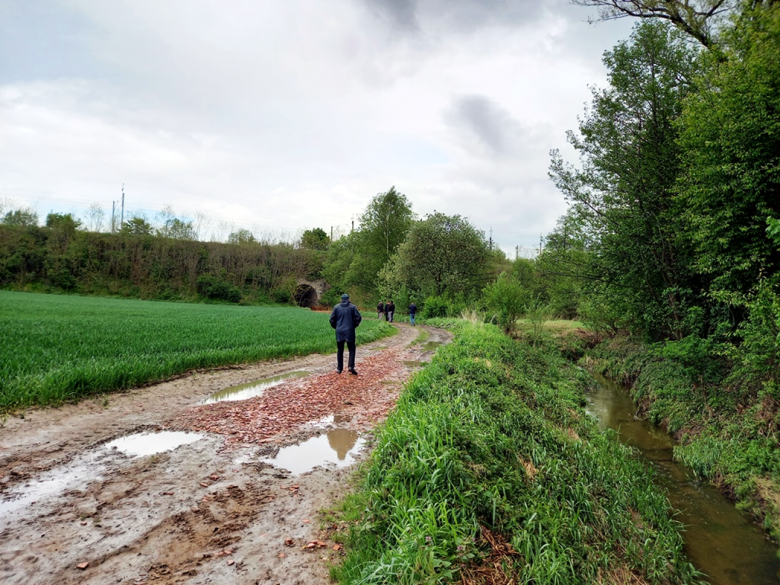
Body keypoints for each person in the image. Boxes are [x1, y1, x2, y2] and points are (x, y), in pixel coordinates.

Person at [330, 293, 362, 375]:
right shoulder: (352, 307)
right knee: (351, 349)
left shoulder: (336, 307)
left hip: (339, 331)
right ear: (348, 299)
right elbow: (358, 317)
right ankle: (351, 366)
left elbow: (331, 319)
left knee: (340, 350)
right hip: (350, 331)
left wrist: (336, 327)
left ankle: (339, 368)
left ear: (341, 299)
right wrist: (354, 325)